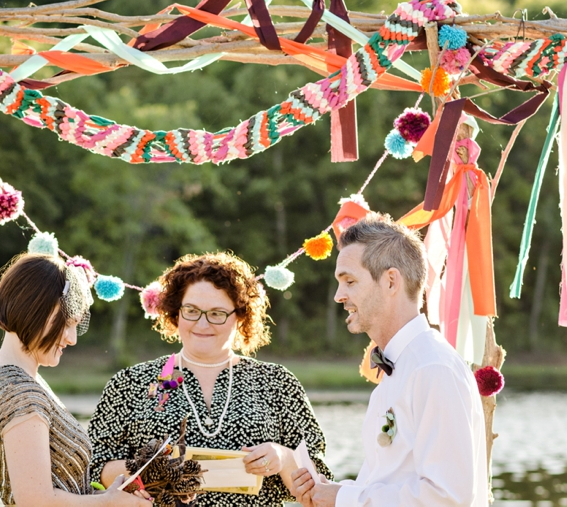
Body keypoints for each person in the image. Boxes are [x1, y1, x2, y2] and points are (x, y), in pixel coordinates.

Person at [88, 252, 332, 506]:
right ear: (175, 312)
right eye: (192, 310)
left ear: (240, 316)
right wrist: (151, 471)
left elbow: (321, 487)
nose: (202, 323)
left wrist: (283, 457)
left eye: (217, 313)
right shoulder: (131, 383)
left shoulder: (277, 382)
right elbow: (93, 470)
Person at [292, 214, 488, 506]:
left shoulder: (433, 368)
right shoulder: (398, 368)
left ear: (391, 281)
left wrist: (344, 499)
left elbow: (448, 497)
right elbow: (388, 481)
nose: (338, 295)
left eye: (349, 281)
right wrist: (328, 493)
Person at [0, 253, 152, 506]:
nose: (72, 338)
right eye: (66, 324)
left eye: (75, 325)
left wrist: (107, 495)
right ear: (34, 310)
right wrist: (108, 504)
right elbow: (35, 501)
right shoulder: (19, 391)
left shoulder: (9, 376)